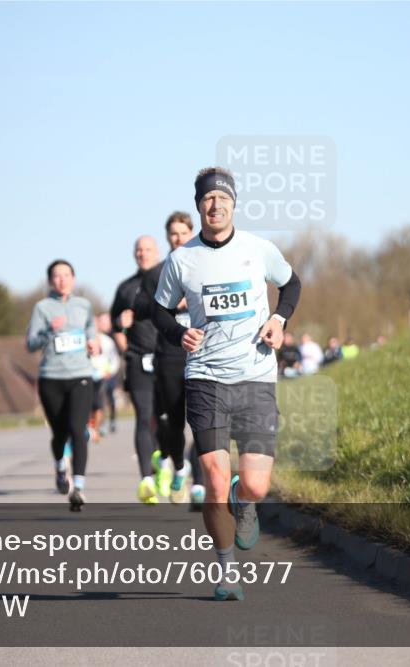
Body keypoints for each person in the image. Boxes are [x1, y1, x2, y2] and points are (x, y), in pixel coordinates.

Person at [152, 167, 301, 600]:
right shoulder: (182, 260)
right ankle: (225, 571)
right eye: (207, 200)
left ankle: (245, 497)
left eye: (222, 199)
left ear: (234, 203)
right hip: (206, 378)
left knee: (254, 485)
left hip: (255, 375)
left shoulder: (259, 249)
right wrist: (177, 332)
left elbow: (291, 284)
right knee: (214, 477)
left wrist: (279, 318)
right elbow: (159, 310)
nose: (215, 206)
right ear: (199, 205)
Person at [134, 211, 206, 507]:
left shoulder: (206, 267)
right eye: (173, 234)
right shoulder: (158, 273)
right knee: (173, 425)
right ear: (167, 238)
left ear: (191, 233)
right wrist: (166, 301)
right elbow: (140, 307)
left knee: (203, 422)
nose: (178, 238)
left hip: (203, 353)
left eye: (183, 233)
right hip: (169, 355)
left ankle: (199, 486)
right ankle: (179, 466)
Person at [26, 259, 100, 511]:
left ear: (74, 279)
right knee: (59, 433)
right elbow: (30, 343)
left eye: (66, 275)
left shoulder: (84, 305)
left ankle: (78, 487)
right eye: (57, 276)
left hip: (81, 375)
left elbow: (92, 331)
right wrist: (49, 331)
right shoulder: (42, 308)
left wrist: (93, 343)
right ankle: (60, 466)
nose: (62, 280)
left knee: (78, 430)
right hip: (51, 378)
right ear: (50, 281)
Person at [111, 236, 162, 503]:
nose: (143, 254)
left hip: (168, 358)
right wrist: (122, 330)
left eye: (148, 249)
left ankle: (163, 458)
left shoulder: (169, 278)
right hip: (138, 359)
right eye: (139, 250)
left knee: (166, 418)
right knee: (144, 416)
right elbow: (114, 324)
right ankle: (146, 481)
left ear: (158, 252)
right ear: (134, 254)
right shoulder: (126, 288)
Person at [89, 313, 119, 441]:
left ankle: (98, 427)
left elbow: (114, 358)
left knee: (100, 403)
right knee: (89, 404)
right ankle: (91, 427)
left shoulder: (107, 341)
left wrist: (110, 371)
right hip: (87, 376)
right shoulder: (84, 339)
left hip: (103, 376)